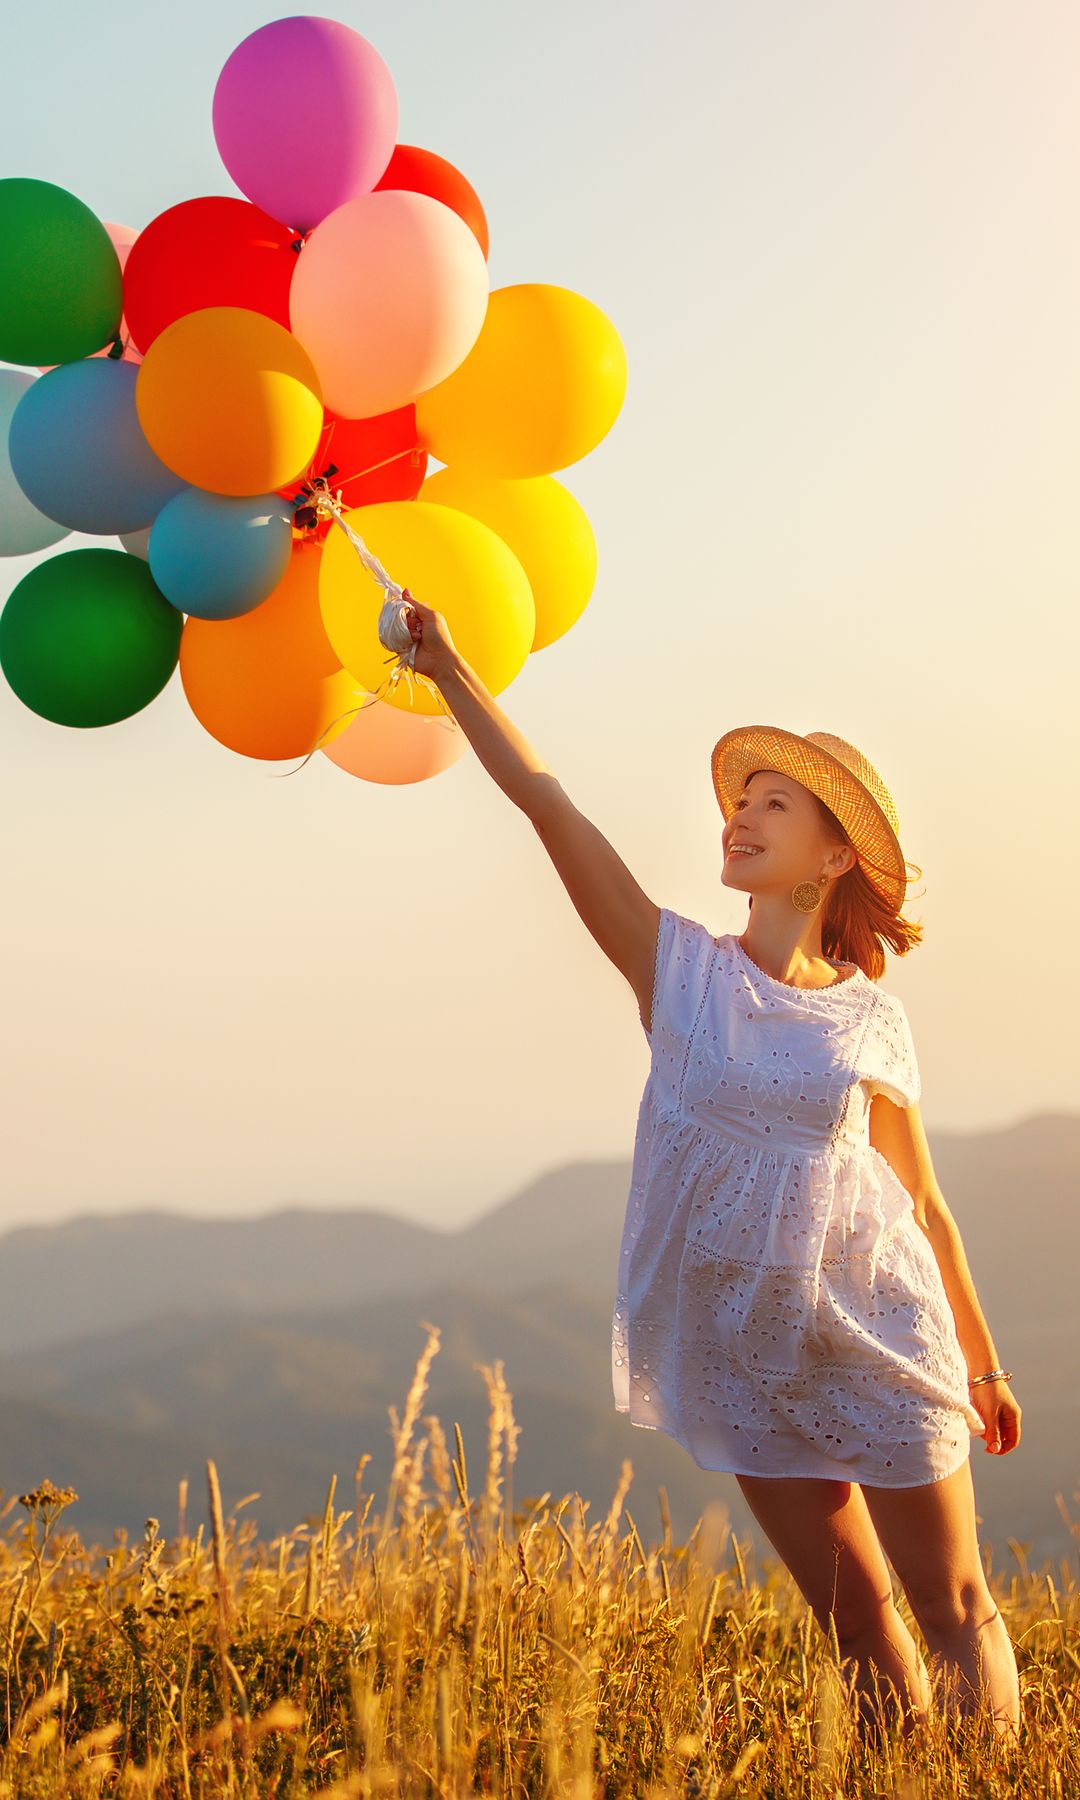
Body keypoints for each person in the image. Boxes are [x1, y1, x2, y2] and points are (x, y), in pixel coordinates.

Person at [403, 595, 1022, 1737]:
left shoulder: (874, 1021)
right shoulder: (677, 972)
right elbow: (549, 806)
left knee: (952, 1603)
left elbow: (924, 1203)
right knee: (857, 1620)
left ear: (833, 853)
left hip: (885, 1326)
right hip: (746, 1341)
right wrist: (449, 673)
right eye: (739, 802)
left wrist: (982, 1365)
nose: (739, 817)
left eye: (772, 804)